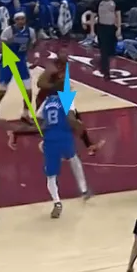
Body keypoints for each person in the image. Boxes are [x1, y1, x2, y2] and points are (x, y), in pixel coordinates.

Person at [39, 83, 92, 218]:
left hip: (50, 140)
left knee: (51, 176)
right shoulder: (67, 99)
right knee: (74, 159)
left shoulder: (46, 102)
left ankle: (57, 202)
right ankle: (84, 189)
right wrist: (79, 127)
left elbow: (39, 119)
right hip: (64, 138)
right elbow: (71, 118)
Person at [34, 52, 103, 155]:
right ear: (59, 63)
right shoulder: (51, 70)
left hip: (63, 98)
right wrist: (55, 86)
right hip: (50, 100)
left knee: (77, 121)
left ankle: (89, 146)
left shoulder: (64, 69)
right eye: (64, 63)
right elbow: (40, 83)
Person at [0, 12, 36, 120]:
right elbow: (1, 47)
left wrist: (33, 57)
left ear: (25, 20)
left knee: (28, 90)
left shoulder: (30, 31)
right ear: (15, 20)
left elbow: (32, 46)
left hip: (21, 61)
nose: (21, 21)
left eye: (23, 19)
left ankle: (25, 114)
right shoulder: (8, 31)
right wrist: (10, 41)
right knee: (2, 90)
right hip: (8, 61)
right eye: (18, 19)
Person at [95, 0, 121, 80]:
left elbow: (118, 15)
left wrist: (119, 28)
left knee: (111, 51)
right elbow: (93, 15)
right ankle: (106, 72)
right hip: (101, 27)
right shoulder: (98, 2)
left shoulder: (115, 2)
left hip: (112, 27)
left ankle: (102, 65)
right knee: (104, 50)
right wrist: (92, 30)